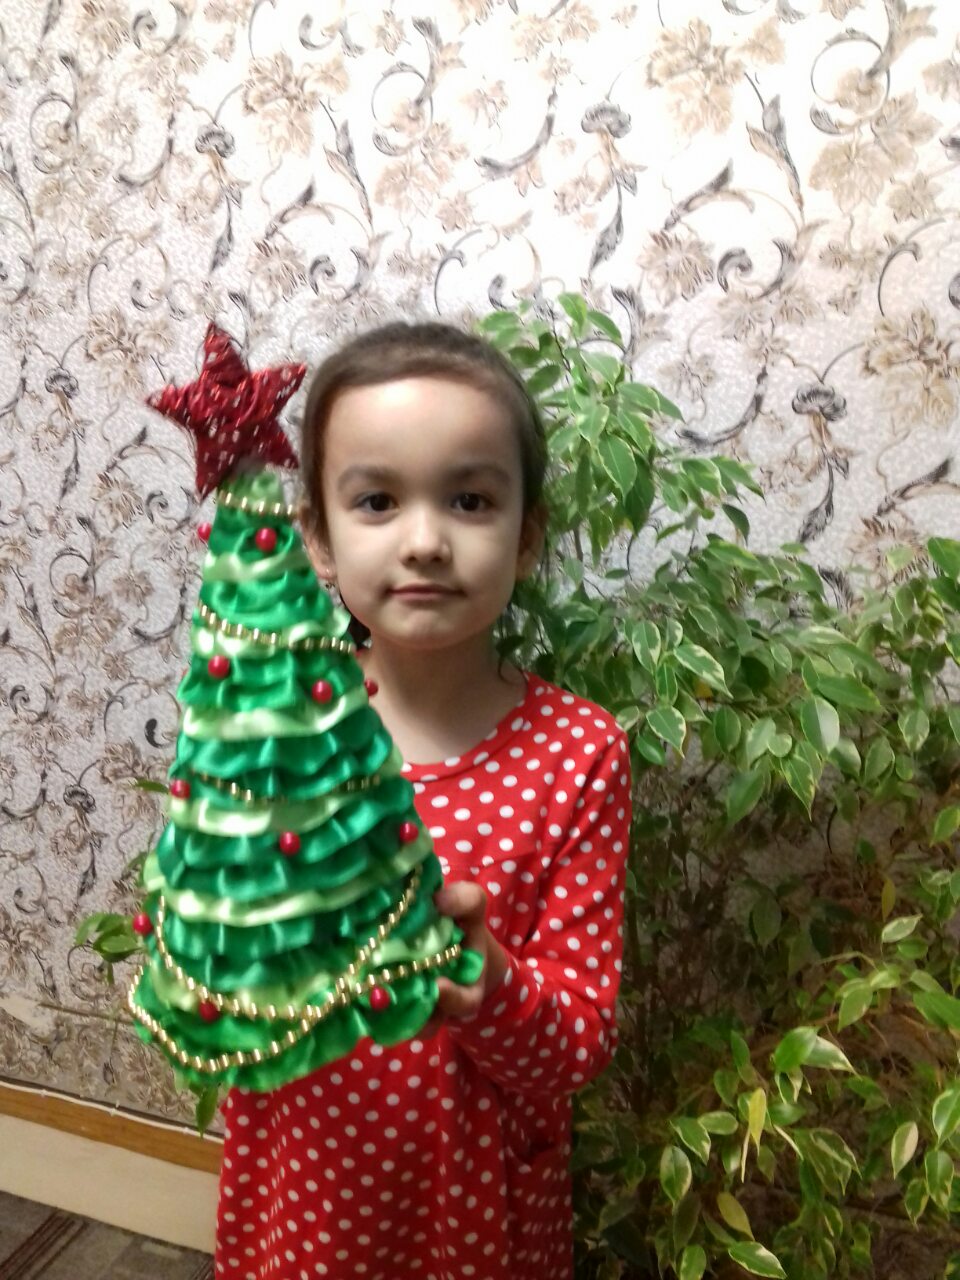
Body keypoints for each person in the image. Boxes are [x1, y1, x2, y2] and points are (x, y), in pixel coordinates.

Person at [214, 320, 633, 1280]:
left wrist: (493, 989)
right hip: (305, 1196)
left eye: (470, 499)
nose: (426, 541)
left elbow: (578, 1047)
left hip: (474, 1211)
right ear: (319, 538)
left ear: (526, 538)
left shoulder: (578, 755)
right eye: (376, 500)